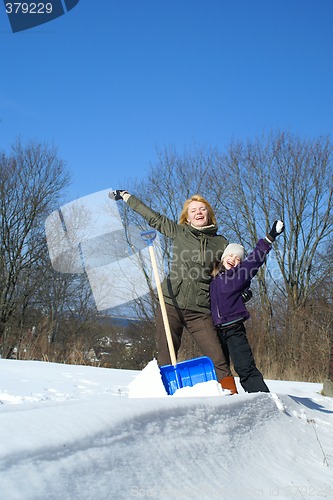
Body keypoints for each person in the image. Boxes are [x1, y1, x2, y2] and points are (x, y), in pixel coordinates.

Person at [112, 190, 237, 393]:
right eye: (193, 210)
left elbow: (229, 273)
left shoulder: (221, 243)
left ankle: (232, 395)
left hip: (200, 310)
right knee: (166, 357)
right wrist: (127, 197)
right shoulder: (180, 232)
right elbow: (154, 217)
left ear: (209, 214)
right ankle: (164, 395)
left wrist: (240, 290)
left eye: (202, 209)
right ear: (187, 217)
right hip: (171, 304)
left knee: (218, 358)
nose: (198, 212)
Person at [210, 220, 285, 393]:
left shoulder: (240, 274)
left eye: (237, 258)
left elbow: (255, 259)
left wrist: (270, 237)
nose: (233, 260)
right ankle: (225, 397)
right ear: (223, 257)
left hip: (234, 329)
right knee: (219, 369)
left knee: (244, 366)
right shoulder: (212, 278)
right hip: (215, 331)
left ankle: (262, 398)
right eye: (230, 256)